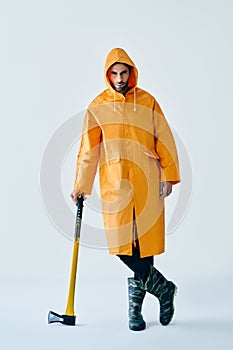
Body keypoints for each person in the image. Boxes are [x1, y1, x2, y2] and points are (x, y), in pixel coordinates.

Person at [70, 48, 181, 331]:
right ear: (108, 75)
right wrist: (80, 186)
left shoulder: (148, 102)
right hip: (115, 185)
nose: (119, 78)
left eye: (124, 72)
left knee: (144, 249)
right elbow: (88, 150)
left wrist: (169, 174)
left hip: (147, 183)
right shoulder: (97, 106)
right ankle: (164, 289)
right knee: (122, 247)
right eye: (114, 73)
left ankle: (135, 313)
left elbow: (163, 138)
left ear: (131, 73)